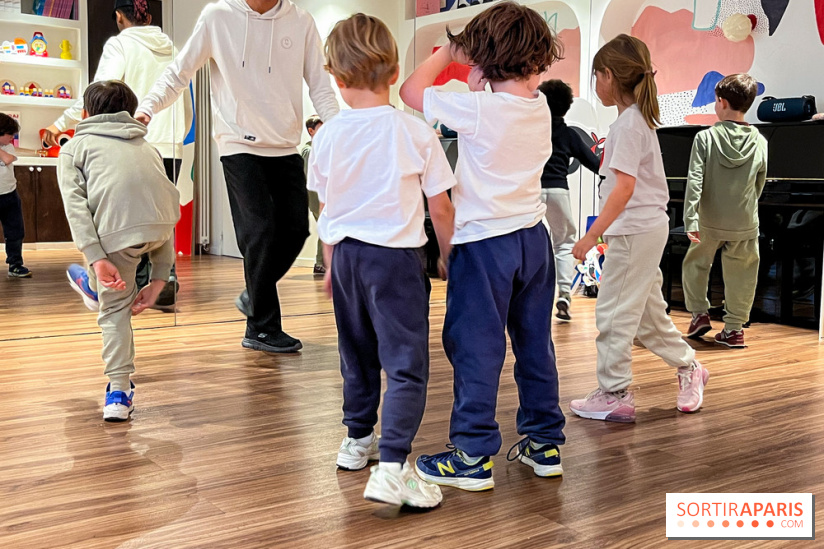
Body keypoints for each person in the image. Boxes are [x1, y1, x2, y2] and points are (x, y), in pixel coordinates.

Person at [400, 1, 566, 491]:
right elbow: (503, 96)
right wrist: (482, 78)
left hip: (485, 244)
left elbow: (411, 91)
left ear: (483, 58)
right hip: (533, 241)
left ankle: (472, 454)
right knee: (535, 343)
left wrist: (451, 52)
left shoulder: (476, 108)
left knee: (476, 347)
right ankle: (544, 443)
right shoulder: (539, 107)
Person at [135, 0, 339, 353]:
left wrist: (342, 129)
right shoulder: (218, 17)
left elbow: (319, 85)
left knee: (296, 230)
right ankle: (261, 327)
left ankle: (253, 296)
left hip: (285, 145)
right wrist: (146, 108)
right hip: (237, 145)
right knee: (258, 231)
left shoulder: (301, 22)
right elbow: (178, 72)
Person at [310, 13, 455, 508]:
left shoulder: (326, 136)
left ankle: (356, 441)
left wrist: (331, 265)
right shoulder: (416, 133)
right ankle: (392, 465)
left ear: (335, 77)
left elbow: (329, 209)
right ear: (395, 74)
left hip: (347, 257)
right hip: (395, 261)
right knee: (407, 364)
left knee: (357, 353)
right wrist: (449, 256)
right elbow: (440, 205)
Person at [568, 34, 709, 423]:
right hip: (641, 230)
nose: (595, 83)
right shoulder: (633, 122)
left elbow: (625, 188)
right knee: (648, 317)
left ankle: (614, 392)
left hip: (635, 231)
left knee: (613, 314)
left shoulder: (629, 126)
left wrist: (592, 234)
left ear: (609, 76)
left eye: (596, 75)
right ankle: (689, 367)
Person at [47, 0, 187, 312]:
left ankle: (118, 290)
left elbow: (99, 93)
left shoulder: (120, 43)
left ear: (119, 16)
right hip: (167, 143)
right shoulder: (172, 48)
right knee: (158, 215)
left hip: (129, 140)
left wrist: (60, 124)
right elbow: (180, 95)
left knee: (120, 218)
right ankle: (163, 282)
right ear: (148, 16)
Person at [58, 80, 180, 421]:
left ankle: (118, 390)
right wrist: (158, 280)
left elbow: (76, 210)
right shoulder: (148, 147)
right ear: (129, 112)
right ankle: (94, 284)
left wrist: (96, 259)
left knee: (113, 312)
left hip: (115, 237)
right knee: (146, 219)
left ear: (85, 113)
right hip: (158, 231)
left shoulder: (74, 148)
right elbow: (162, 212)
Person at [682, 74, 767, 349]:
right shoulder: (761, 141)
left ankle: (699, 314)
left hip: (709, 220)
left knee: (695, 264)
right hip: (744, 220)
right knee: (742, 273)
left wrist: (690, 218)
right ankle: (733, 330)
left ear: (721, 102)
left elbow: (695, 181)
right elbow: (759, 184)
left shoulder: (705, 138)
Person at [537, 79, 601, 321]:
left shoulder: (531, 130)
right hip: (558, 191)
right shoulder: (569, 134)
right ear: (566, 107)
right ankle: (564, 293)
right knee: (564, 243)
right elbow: (594, 163)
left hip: (530, 192)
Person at [0, 114, 31, 278]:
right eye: (10, 134)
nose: (12, 138)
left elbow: (6, 160)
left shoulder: (8, 148)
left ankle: (15, 265)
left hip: (10, 195)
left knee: (15, 231)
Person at [300, 115, 325, 275]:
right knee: (326, 228)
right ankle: (321, 263)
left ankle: (322, 263)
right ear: (311, 131)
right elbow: (312, 177)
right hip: (317, 198)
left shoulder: (319, 149)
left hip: (321, 197)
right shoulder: (309, 151)